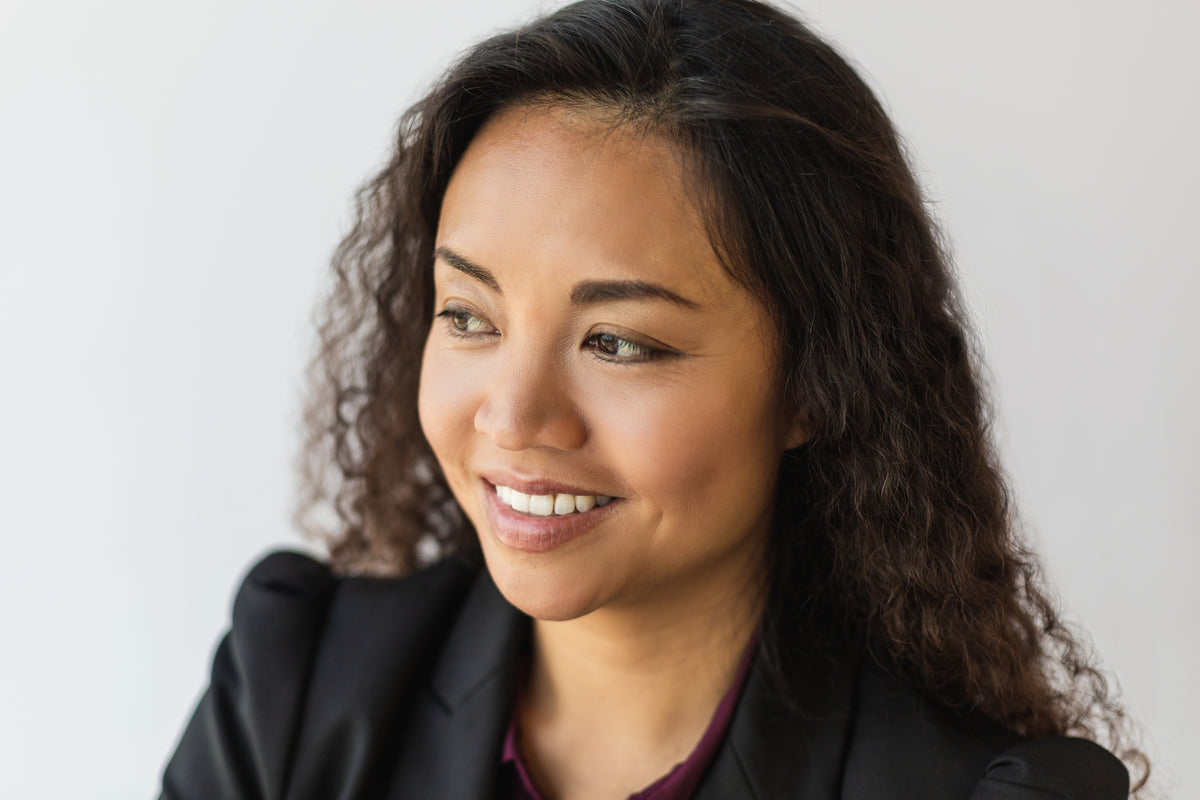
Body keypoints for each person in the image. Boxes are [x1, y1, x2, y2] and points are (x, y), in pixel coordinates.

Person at [159, 0, 1148, 797]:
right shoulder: (291, 693)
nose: (511, 415)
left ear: (815, 383)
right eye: (468, 314)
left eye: (618, 340)